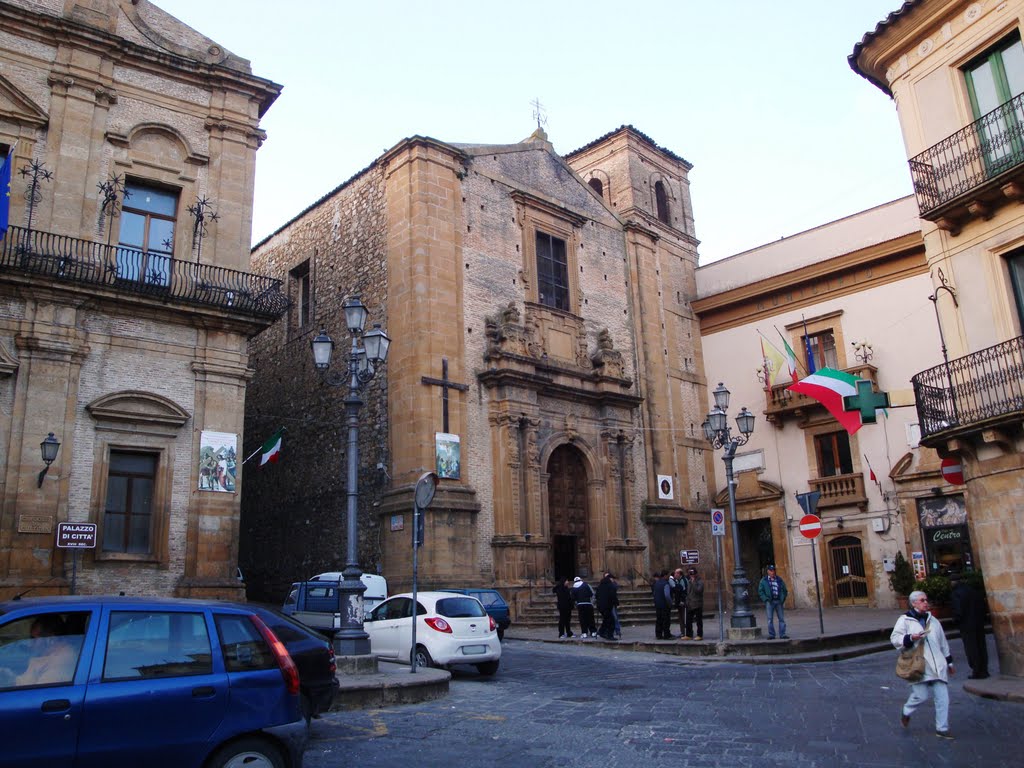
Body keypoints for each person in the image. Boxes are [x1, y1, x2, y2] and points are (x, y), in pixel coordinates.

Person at [891, 590, 955, 739]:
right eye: (922, 600)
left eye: (926, 600)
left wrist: (949, 661)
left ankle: (942, 728)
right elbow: (895, 639)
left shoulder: (934, 621)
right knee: (921, 695)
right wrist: (910, 638)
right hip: (918, 664)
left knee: (943, 698)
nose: (926, 602)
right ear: (914, 603)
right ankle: (906, 710)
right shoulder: (905, 620)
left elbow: (943, 642)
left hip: (937, 664)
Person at [15, 615, 80, 687]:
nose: (31, 643)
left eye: (34, 638)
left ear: (50, 639)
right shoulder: (50, 655)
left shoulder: (62, 660)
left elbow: (37, 693)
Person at [950, 573, 988, 679]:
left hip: (966, 625)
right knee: (981, 646)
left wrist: (956, 620)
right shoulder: (974, 591)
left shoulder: (956, 594)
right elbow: (983, 607)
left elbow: (958, 611)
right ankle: (984, 670)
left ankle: (976, 671)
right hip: (978, 623)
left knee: (971, 648)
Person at [757, 564, 789, 639]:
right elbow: (760, 591)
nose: (773, 572)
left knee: (781, 619)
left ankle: (782, 634)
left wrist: (782, 598)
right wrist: (766, 599)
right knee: (769, 619)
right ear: (768, 571)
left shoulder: (779, 579)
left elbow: (784, 590)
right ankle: (772, 635)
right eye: (771, 571)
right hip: (770, 601)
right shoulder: (764, 581)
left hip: (778, 601)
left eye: (773, 570)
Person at [595, 572, 619, 640]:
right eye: (612, 578)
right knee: (611, 621)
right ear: (610, 579)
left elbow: (597, 596)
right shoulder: (611, 586)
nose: (613, 580)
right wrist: (616, 603)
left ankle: (601, 631)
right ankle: (609, 635)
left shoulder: (600, 586)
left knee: (606, 619)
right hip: (607, 606)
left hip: (600, 606)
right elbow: (613, 596)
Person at [684, 567, 705, 641]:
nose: (691, 575)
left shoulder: (700, 582)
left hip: (697, 603)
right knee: (688, 620)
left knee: (698, 620)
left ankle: (700, 634)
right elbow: (688, 592)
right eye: (690, 573)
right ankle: (688, 634)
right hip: (690, 603)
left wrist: (694, 583)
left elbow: (698, 591)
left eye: (692, 573)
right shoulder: (689, 581)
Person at [653, 570, 673, 640]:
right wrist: (670, 603)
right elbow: (667, 595)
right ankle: (666, 635)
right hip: (665, 605)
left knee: (659, 620)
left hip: (658, 604)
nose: (668, 577)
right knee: (666, 620)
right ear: (665, 575)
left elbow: (654, 593)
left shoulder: (656, 583)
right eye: (668, 575)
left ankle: (658, 634)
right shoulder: (666, 584)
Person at [669, 567, 688, 639]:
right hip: (679, 602)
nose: (675, 574)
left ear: (679, 574)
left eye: (676, 573)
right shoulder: (677, 580)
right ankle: (683, 632)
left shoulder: (683, 580)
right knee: (681, 618)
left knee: (683, 617)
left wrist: (682, 601)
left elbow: (684, 591)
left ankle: (685, 632)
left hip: (683, 602)